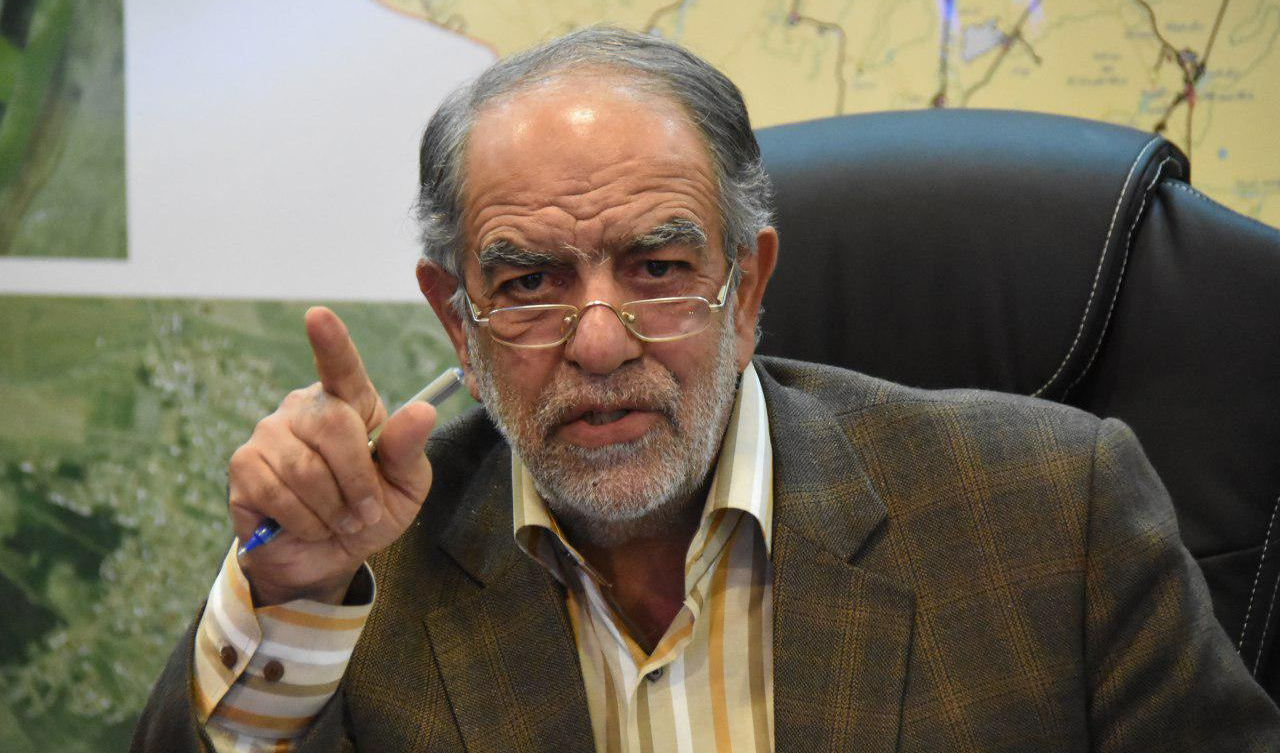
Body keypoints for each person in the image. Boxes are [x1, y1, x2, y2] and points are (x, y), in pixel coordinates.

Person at [132, 27, 1280, 753]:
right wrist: (287, 593)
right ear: (456, 320)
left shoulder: (1052, 512)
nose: (596, 344)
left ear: (745, 288)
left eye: (657, 268)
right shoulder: (365, 565)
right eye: (527, 282)